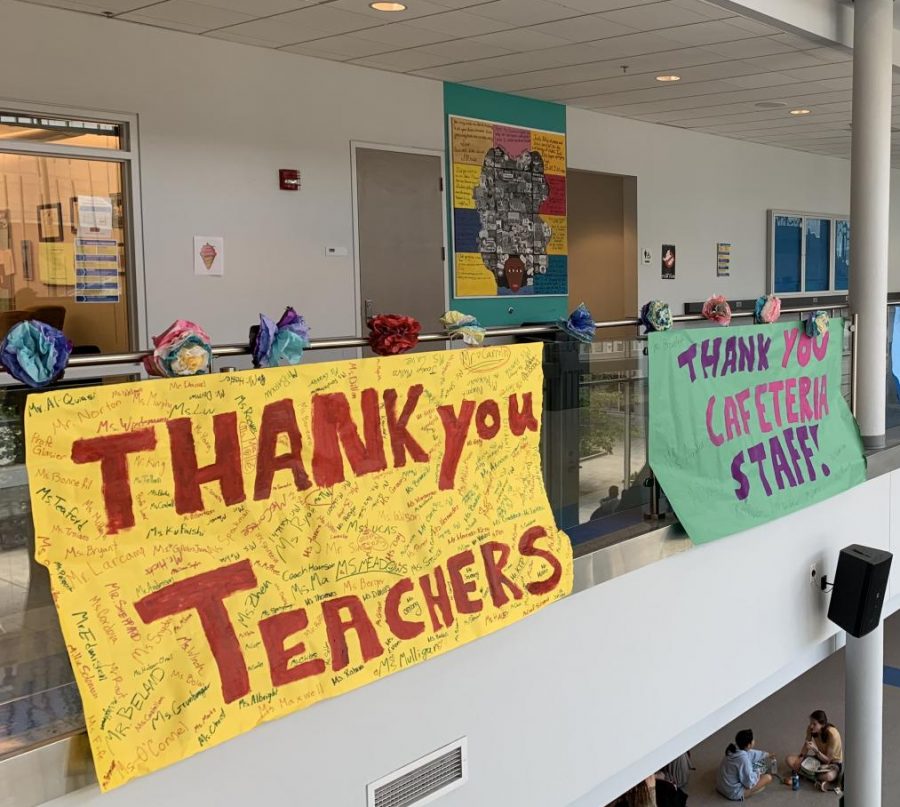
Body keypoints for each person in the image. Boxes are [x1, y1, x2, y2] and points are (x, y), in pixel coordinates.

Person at [784, 709, 843, 792]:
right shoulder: (811, 729)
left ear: (822, 724)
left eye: (814, 724)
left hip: (832, 763)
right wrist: (800, 758)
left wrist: (816, 751)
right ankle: (817, 778)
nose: (811, 726)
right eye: (810, 723)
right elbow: (806, 746)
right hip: (818, 759)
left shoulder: (833, 734)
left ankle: (808, 775)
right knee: (789, 759)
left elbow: (828, 760)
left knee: (829, 776)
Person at [716, 729, 774, 801]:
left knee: (758, 763)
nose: (754, 741)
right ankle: (749, 792)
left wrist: (767, 754)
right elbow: (749, 783)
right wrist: (758, 773)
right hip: (733, 793)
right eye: (753, 740)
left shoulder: (735, 747)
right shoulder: (743, 759)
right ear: (749, 745)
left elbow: (751, 754)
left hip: (721, 786)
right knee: (768, 777)